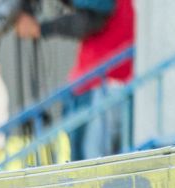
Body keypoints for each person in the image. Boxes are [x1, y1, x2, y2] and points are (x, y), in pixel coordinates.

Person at [10, 0, 134, 161]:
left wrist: (41, 28)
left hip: (104, 87)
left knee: (92, 163)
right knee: (88, 162)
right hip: (94, 86)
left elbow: (94, 17)